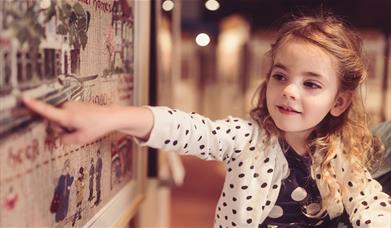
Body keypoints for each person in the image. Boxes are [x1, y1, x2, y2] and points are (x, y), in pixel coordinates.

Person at [22, 14, 390, 227]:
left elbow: (369, 203)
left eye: (310, 84)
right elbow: (187, 129)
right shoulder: (248, 138)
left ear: (339, 102)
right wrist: (110, 117)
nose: (290, 91)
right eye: (280, 76)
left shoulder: (342, 154)